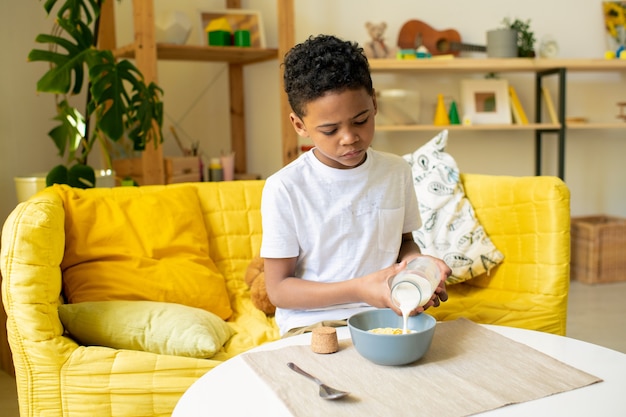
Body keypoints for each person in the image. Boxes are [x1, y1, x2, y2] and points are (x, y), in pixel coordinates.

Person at [260, 34, 451, 336]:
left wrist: (418, 268)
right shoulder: (284, 188)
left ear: (374, 103)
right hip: (315, 324)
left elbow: (404, 243)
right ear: (300, 125)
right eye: (330, 129)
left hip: (387, 312)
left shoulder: (395, 171)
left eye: (360, 120)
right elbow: (279, 290)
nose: (349, 137)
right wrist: (360, 289)